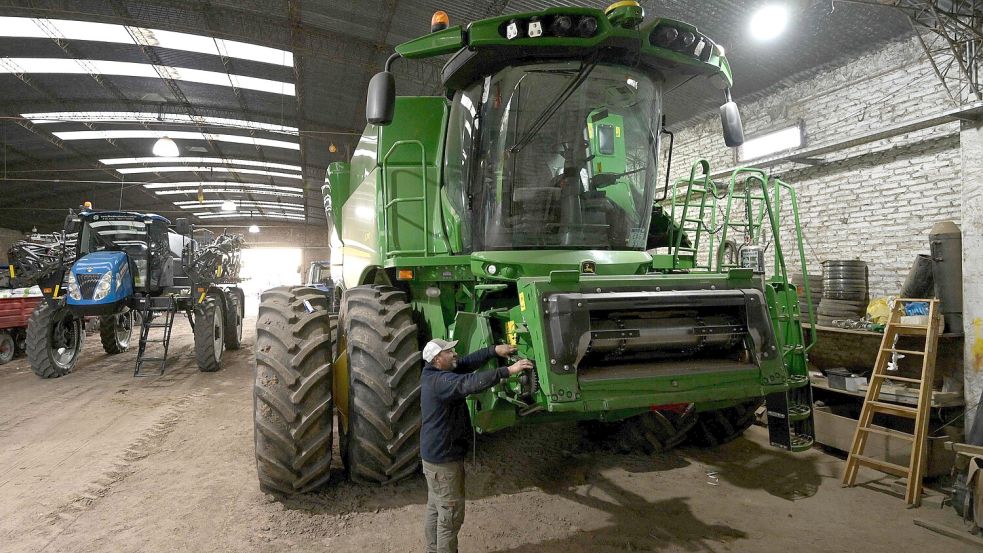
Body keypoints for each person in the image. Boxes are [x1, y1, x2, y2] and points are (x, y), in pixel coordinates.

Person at [420, 338, 533, 553]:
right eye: (449, 352)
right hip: (444, 462)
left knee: (436, 508)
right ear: (437, 359)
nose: (454, 354)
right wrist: (508, 371)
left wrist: (493, 351)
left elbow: (466, 363)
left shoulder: (434, 374)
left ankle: (432, 550)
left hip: (434, 458)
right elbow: (469, 382)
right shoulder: (441, 383)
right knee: (450, 517)